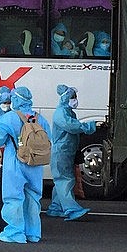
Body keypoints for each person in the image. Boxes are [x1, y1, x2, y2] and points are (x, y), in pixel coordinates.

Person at [0, 86, 51, 243]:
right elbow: (49, 139)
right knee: (33, 197)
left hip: (16, 162)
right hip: (35, 163)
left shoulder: (9, 118)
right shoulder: (39, 118)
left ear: (15, 100)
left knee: (13, 197)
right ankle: (33, 233)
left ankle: (15, 232)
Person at [46, 85, 96, 221]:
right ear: (66, 98)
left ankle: (56, 208)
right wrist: (89, 126)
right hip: (61, 152)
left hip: (65, 152)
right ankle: (71, 209)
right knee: (65, 180)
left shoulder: (67, 112)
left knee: (60, 181)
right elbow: (71, 126)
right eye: (73, 97)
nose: (75, 100)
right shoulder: (61, 113)